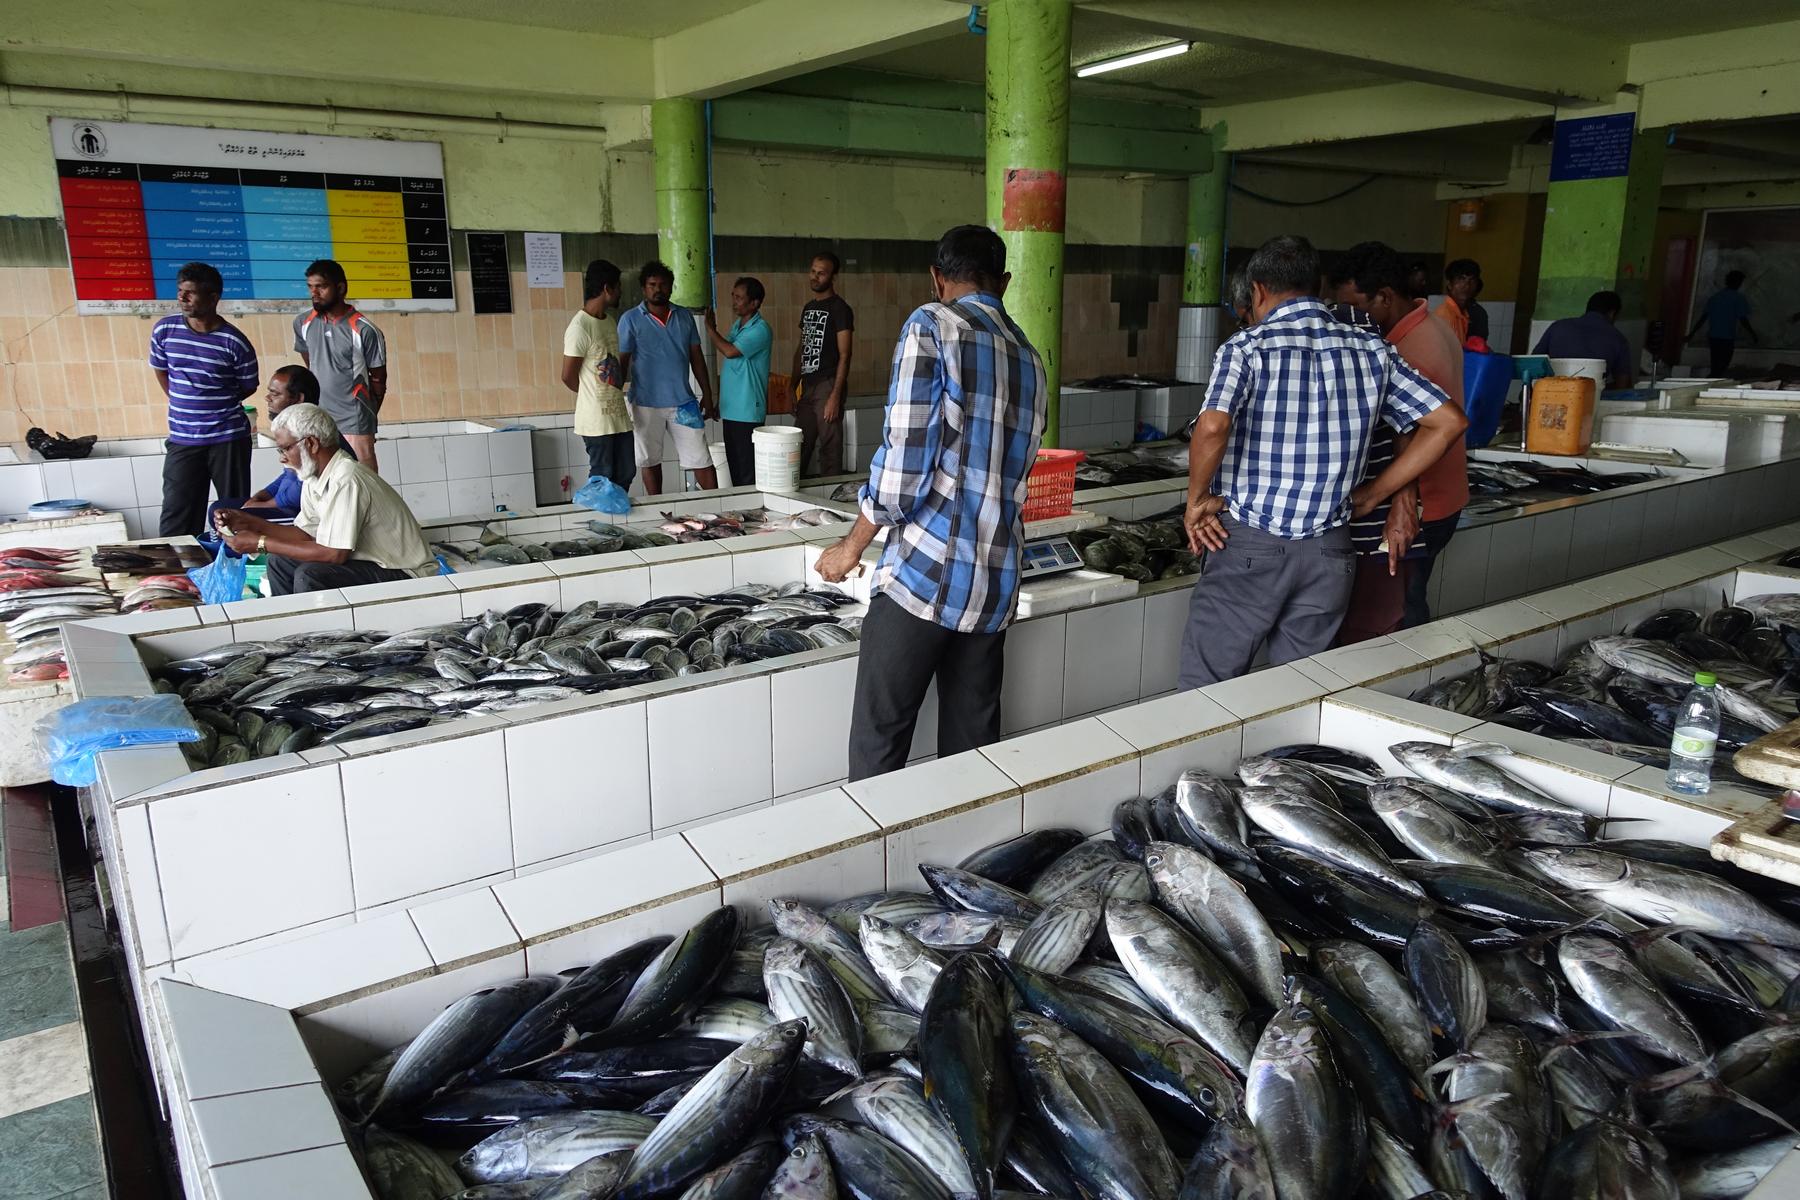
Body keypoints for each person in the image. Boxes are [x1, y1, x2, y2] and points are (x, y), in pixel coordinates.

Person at [1177, 235, 1465, 689]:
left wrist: (1196, 500)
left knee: (1209, 683)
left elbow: (1212, 427)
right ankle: (1279, 761)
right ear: (1318, 287)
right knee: (1298, 687)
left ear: (1256, 291)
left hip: (1251, 542)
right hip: (1331, 549)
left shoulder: (1248, 348)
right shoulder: (1372, 350)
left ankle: (1201, 759)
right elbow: (1447, 423)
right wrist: (1376, 493)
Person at [814, 225, 1045, 780]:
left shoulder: (932, 326)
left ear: (937, 277)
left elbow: (903, 469)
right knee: (972, 759)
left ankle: (878, 860)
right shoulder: (1030, 355)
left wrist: (850, 547)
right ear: (1005, 282)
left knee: (879, 742)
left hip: (925, 574)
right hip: (992, 582)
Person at [1332, 241, 1469, 634]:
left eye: (1354, 307)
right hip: (1446, 496)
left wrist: (1385, 497)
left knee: (1398, 612)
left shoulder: (1404, 350)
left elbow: (1420, 430)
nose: (1347, 321)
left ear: (1385, 297)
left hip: (1417, 505)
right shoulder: (1436, 325)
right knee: (1409, 597)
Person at [216, 405, 435, 596]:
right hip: (370, 564)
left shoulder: (346, 479)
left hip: (406, 574)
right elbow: (305, 534)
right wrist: (249, 523)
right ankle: (296, 631)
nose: (282, 457)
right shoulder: (315, 477)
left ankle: (319, 639)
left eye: (285, 448)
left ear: (310, 443)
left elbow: (334, 554)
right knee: (279, 562)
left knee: (311, 575)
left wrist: (260, 543)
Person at [149, 261, 259, 537]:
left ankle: (234, 568)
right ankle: (178, 576)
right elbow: (162, 373)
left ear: (213, 297)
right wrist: (186, 402)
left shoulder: (234, 342)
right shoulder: (164, 331)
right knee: (178, 511)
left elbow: (248, 385)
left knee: (233, 512)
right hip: (183, 439)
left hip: (228, 438)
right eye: (180, 291)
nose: (182, 298)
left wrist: (212, 402)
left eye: (191, 292)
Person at [618, 260, 717, 495]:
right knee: (649, 461)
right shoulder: (630, 319)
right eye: (652, 284)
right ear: (644, 288)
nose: (658, 289)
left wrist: (709, 394)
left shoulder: (683, 317)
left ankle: (719, 507)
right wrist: (615, 401)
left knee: (701, 459)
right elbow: (622, 362)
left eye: (663, 284)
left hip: (683, 402)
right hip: (644, 403)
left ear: (671, 287)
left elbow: (697, 358)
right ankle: (658, 508)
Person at [294, 258, 387, 473]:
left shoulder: (365, 330)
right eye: (310, 287)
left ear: (341, 288)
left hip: (354, 418)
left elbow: (379, 381)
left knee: (364, 480)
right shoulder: (302, 323)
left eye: (321, 287)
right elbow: (310, 364)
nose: (314, 293)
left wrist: (367, 415)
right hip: (319, 417)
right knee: (322, 477)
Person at [203, 365, 320, 535]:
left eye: (275, 394)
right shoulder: (293, 428)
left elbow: (303, 489)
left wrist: (265, 505)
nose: (267, 398)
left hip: (303, 515)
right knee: (219, 509)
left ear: (298, 399)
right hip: (285, 505)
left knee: (230, 520)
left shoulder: (310, 433)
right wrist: (260, 497)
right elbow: (288, 475)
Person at [561, 259, 633, 495]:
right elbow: (568, 376)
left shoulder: (609, 321)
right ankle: (599, 527)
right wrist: (591, 397)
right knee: (603, 476)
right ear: (606, 288)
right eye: (618, 286)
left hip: (618, 416)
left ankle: (616, 524)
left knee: (626, 472)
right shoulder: (580, 327)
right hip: (595, 421)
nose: (620, 291)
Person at [790, 251, 855, 476]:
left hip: (828, 383)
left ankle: (832, 501)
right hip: (807, 385)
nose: (815, 277)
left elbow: (845, 355)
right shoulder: (808, 308)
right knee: (799, 444)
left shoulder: (840, 309)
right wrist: (792, 386)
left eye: (822, 274)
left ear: (833, 277)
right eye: (813, 272)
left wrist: (835, 395)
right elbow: (802, 348)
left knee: (830, 446)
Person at [705, 277, 773, 489]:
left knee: (747, 471)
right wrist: (721, 403)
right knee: (735, 468)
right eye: (733, 296)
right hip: (732, 410)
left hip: (747, 411)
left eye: (739, 298)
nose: (734, 302)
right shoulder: (738, 325)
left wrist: (709, 329)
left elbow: (730, 351)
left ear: (754, 303)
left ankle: (754, 513)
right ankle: (744, 512)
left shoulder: (760, 329)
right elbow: (735, 370)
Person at [1534, 291, 1635, 389]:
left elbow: (1534, 363)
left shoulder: (1557, 326)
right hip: (1590, 400)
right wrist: (1599, 388)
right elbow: (1622, 385)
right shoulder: (1618, 338)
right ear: (1612, 313)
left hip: (1548, 396)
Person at [1689, 270, 1758, 376]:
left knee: (1716, 365)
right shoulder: (1738, 298)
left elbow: (1703, 318)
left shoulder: (1715, 298)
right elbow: (1743, 320)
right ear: (1738, 283)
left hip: (1714, 337)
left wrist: (1691, 334)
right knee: (1722, 366)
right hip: (1727, 338)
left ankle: (1711, 382)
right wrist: (1752, 334)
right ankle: (1711, 383)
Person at [1434, 258, 1483, 345]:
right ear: (1450, 285)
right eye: (1461, 279)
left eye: (1472, 280)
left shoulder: (1463, 314)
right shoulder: (1444, 315)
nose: (1467, 285)